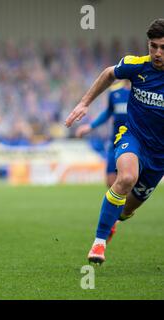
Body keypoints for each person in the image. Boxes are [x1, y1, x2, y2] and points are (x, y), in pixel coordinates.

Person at [65, 19, 164, 265]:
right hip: (133, 136)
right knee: (126, 177)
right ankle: (98, 244)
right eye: (153, 46)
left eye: (163, 47)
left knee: (127, 210)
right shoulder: (137, 66)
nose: (157, 53)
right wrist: (84, 103)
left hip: (159, 154)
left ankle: (113, 222)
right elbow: (109, 73)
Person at [75, 80, 130, 188]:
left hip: (134, 141)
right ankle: (120, 204)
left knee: (128, 181)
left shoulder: (142, 91)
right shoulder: (115, 91)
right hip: (115, 141)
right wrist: (90, 126)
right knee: (110, 183)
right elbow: (108, 112)